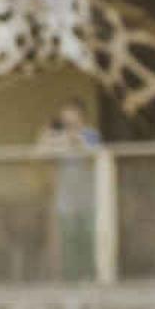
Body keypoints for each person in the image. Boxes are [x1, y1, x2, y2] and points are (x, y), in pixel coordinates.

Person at [38, 100, 102, 280]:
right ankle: (71, 278)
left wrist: (75, 138)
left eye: (72, 118)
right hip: (65, 199)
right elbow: (41, 153)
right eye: (65, 118)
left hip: (89, 198)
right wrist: (48, 135)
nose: (68, 122)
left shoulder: (90, 134)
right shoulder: (58, 137)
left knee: (88, 239)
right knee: (68, 240)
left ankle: (90, 277)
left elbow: (93, 152)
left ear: (82, 117)